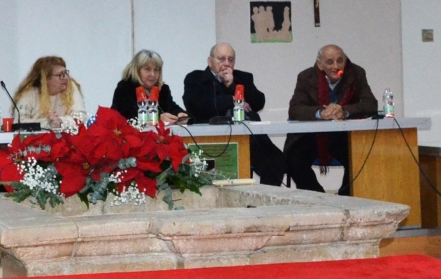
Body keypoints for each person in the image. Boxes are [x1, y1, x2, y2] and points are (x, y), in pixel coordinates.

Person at [182, 42, 286, 186]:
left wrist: (232, 86)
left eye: (230, 60)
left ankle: (263, 204)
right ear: (210, 61)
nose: (226, 64)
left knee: (276, 161)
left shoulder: (243, 78)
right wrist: (233, 100)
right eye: (221, 59)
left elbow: (259, 102)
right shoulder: (195, 78)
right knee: (208, 176)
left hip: (248, 139)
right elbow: (197, 105)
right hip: (210, 142)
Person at [284, 44, 378, 195]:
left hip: (343, 137)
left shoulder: (356, 73)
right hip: (313, 137)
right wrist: (321, 113)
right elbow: (295, 110)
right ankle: (318, 198)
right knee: (294, 158)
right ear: (319, 65)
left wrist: (344, 111)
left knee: (360, 156)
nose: (336, 66)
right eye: (330, 62)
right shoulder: (306, 77)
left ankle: (345, 198)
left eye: (340, 61)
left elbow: (370, 104)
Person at [111, 49, 188, 124]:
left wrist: (180, 115)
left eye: (156, 70)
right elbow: (128, 117)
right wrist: (157, 119)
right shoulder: (125, 88)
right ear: (136, 70)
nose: (152, 74)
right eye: (147, 69)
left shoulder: (163, 89)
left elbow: (172, 108)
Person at [13, 56, 87, 131]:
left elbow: (80, 118)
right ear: (46, 79)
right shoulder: (30, 93)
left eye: (65, 73)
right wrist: (47, 123)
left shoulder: (70, 86)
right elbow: (18, 123)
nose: (66, 78)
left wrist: (60, 121)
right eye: (60, 75)